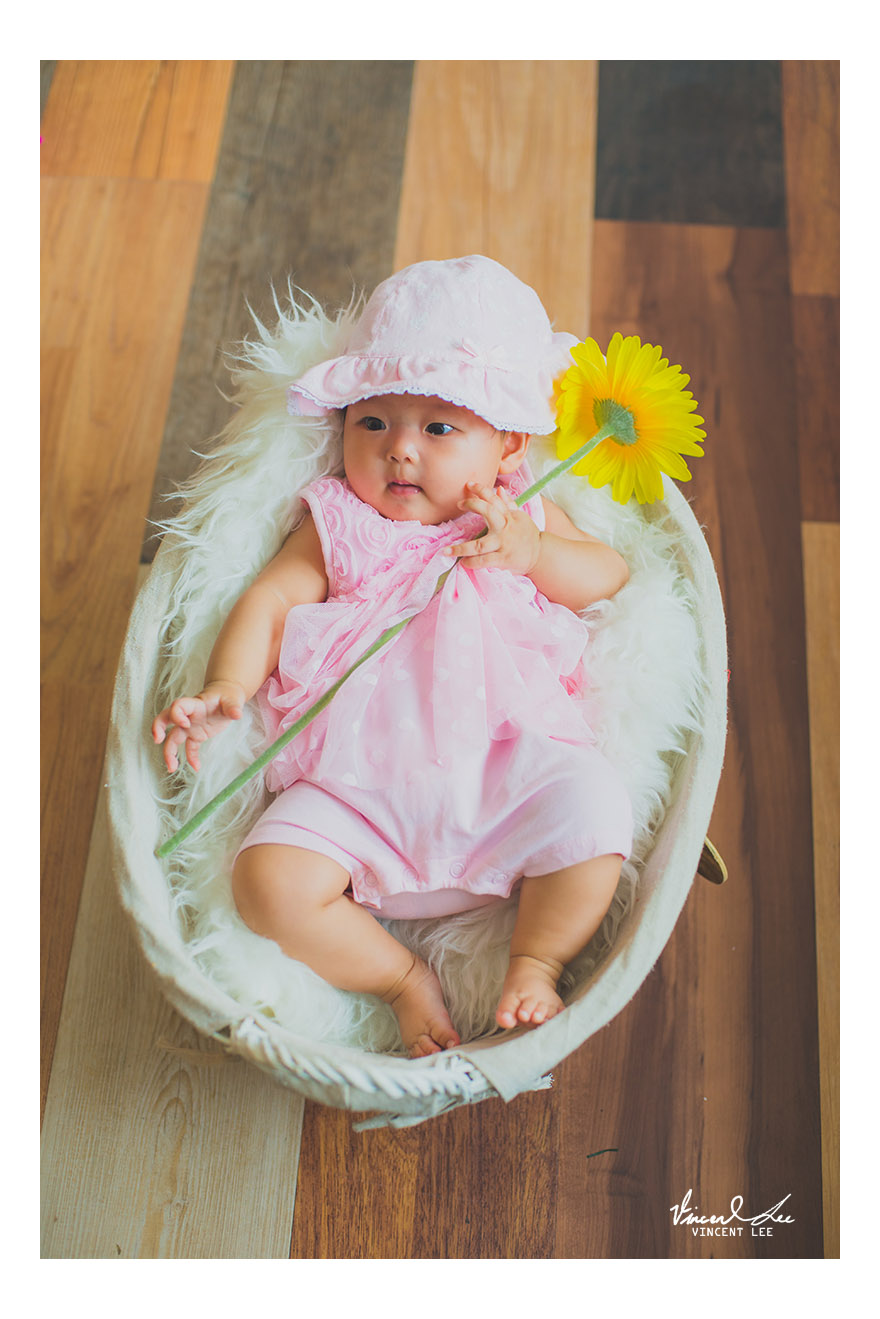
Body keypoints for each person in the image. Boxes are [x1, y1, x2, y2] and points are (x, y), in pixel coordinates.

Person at [153, 255, 633, 1058]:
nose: (400, 450)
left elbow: (606, 575)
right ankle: (402, 977)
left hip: (507, 769)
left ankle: (535, 959)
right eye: (372, 422)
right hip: (358, 786)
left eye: (438, 427)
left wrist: (533, 554)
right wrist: (226, 685)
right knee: (264, 881)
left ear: (508, 444)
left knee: (597, 812)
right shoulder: (340, 517)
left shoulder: (517, 514)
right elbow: (273, 598)